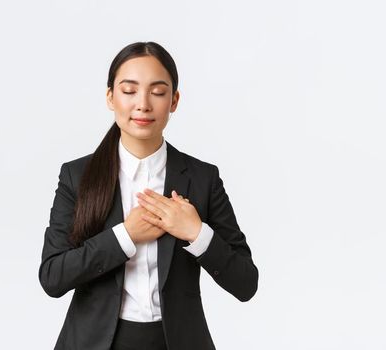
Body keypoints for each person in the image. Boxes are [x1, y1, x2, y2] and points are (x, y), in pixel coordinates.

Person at [38, 41, 258, 350]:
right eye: (129, 91)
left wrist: (197, 233)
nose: (143, 104)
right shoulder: (77, 176)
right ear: (110, 97)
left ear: (174, 100)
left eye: (157, 92)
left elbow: (246, 283)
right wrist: (125, 236)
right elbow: (52, 276)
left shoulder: (202, 178)